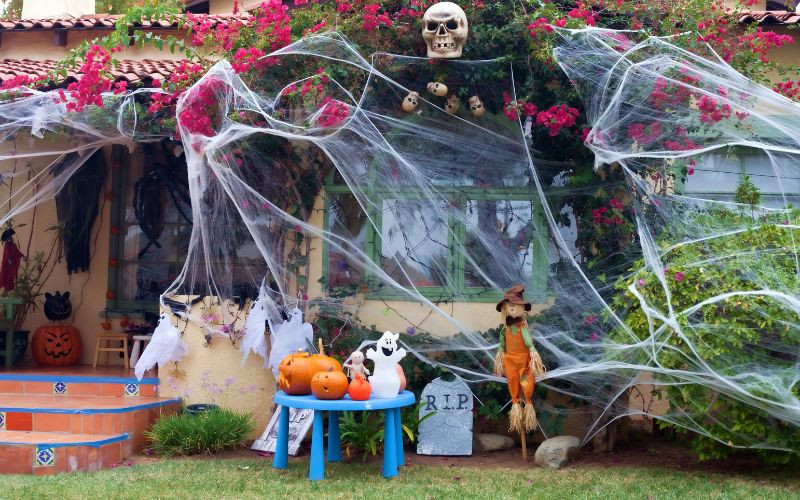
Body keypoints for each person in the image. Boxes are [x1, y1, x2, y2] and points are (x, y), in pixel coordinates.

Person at [493, 285, 546, 433]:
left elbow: (528, 341)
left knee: (526, 380)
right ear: (505, 308)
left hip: (523, 359)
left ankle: (527, 403)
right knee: (512, 380)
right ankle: (515, 403)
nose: (512, 309)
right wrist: (500, 351)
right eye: (510, 306)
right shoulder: (505, 329)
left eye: (516, 306)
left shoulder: (523, 327)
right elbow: (502, 343)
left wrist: (532, 350)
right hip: (510, 360)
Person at [0, 228, 25, 294]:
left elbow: (17, 252)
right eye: (8, 238)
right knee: (7, 279)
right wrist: (9, 260)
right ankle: (5, 293)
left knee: (11, 279)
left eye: (10, 238)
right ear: (7, 240)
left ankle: (8, 293)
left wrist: (23, 256)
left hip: (12, 266)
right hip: (7, 267)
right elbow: (6, 255)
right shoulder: (7, 246)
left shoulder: (14, 245)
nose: (10, 239)